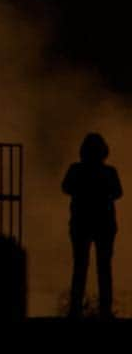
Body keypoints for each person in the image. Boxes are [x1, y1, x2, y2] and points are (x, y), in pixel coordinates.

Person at [62, 132, 122, 318]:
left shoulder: (76, 170)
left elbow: (66, 188)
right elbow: (118, 193)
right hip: (104, 224)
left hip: (81, 223)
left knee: (80, 267)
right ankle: (105, 309)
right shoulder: (109, 172)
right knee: (104, 268)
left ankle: (75, 309)